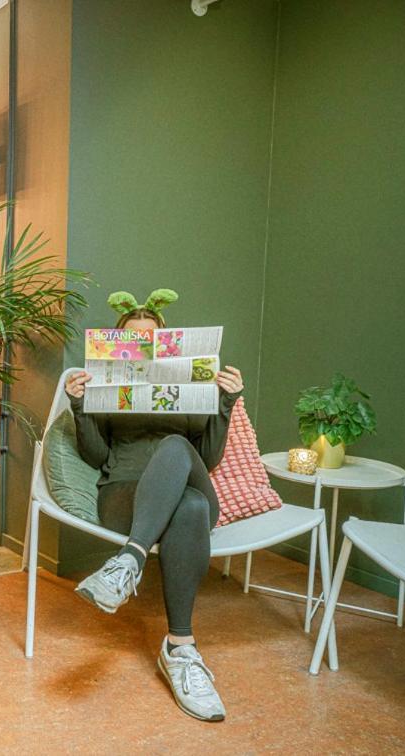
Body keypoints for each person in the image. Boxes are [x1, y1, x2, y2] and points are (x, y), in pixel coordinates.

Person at [65, 289, 243, 723]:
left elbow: (209, 458)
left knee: (177, 446)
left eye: (153, 340)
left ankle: (128, 560)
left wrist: (226, 403)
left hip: (186, 473)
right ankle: (180, 649)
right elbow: (95, 455)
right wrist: (80, 407)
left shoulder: (192, 386)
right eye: (134, 340)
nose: (144, 348)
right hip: (125, 494)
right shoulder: (107, 385)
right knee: (191, 508)